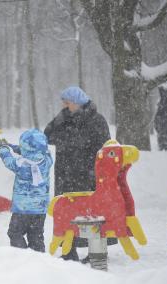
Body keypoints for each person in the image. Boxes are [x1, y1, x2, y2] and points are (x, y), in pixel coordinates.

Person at [44, 86, 111, 262]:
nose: (65, 106)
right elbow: (47, 135)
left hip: (88, 173)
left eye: (67, 103)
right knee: (66, 212)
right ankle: (68, 250)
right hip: (66, 173)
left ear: (77, 102)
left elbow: (104, 146)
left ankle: (96, 250)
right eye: (64, 103)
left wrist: (74, 143)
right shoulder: (65, 118)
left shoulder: (97, 120)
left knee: (91, 213)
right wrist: (60, 119)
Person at [0, 129, 53, 252]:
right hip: (40, 209)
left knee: (15, 233)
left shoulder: (20, 165)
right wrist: (14, 147)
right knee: (36, 236)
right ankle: (39, 260)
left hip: (22, 209)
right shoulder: (47, 161)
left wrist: (4, 148)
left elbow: (7, 160)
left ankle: (22, 258)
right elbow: (36, 152)